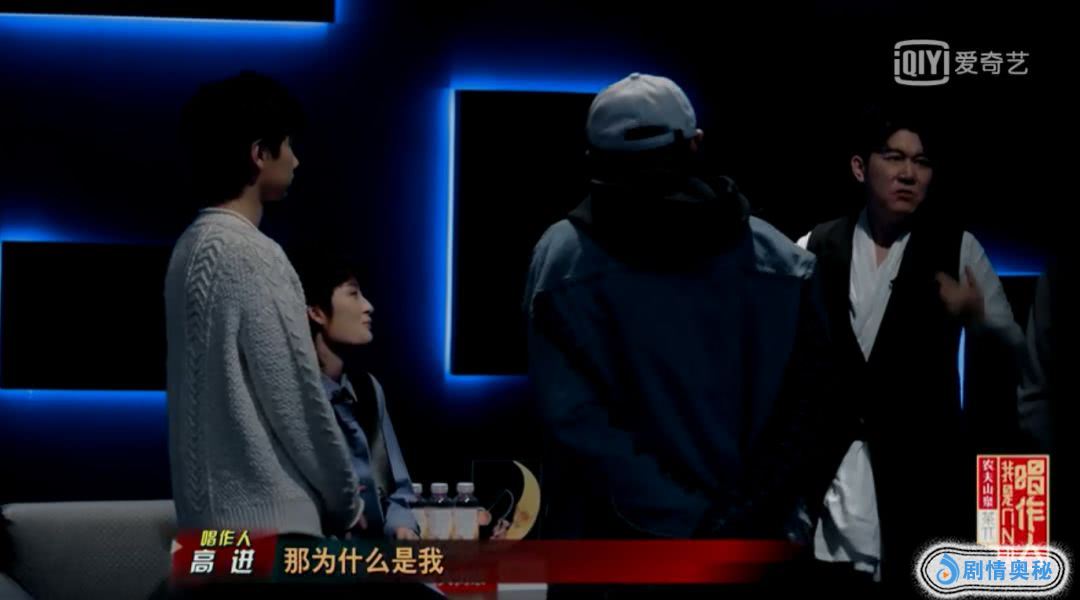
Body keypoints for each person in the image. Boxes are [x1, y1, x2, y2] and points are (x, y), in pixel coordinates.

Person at [524, 73, 838, 550]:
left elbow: (575, 422)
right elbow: (811, 415)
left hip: (610, 553)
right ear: (695, 144)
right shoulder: (784, 263)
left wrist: (686, 518)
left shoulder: (561, 262)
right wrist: (744, 515)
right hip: (752, 546)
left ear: (592, 159)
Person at [797, 106, 1025, 593]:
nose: (908, 174)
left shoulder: (957, 248)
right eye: (894, 157)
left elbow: (1017, 352)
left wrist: (977, 318)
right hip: (829, 468)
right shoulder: (815, 245)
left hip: (921, 471)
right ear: (860, 167)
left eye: (921, 162)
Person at [165, 72, 362, 539]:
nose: (296, 158)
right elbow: (298, 402)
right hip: (273, 530)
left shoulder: (186, 251)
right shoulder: (255, 255)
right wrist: (349, 503)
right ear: (259, 153)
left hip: (205, 532)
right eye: (288, 144)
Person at [291, 249, 420, 541]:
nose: (368, 307)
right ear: (317, 312)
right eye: (353, 294)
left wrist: (402, 527)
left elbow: (397, 489)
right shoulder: (294, 398)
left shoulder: (367, 389)